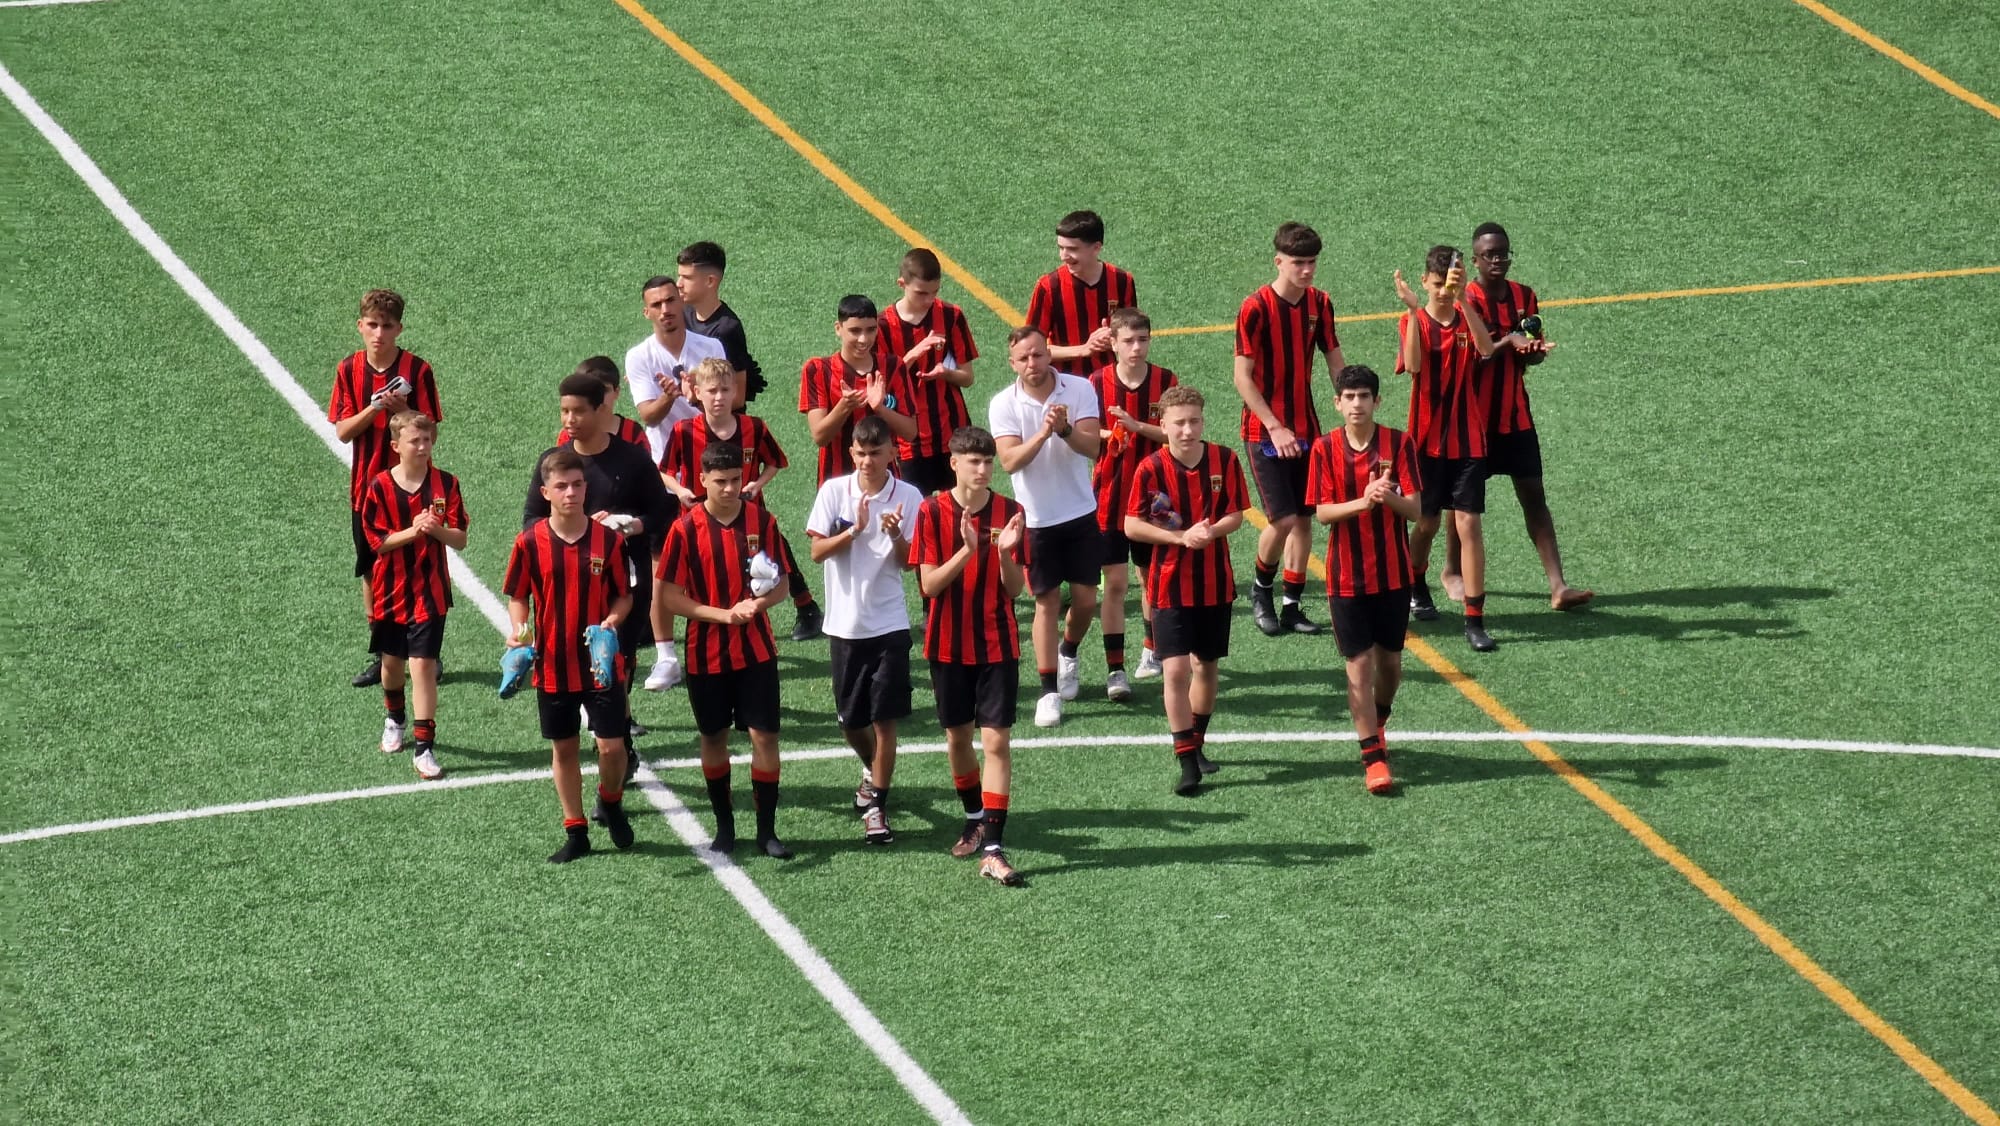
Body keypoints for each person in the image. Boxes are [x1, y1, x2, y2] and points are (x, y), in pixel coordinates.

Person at [654, 442, 799, 859]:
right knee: (713, 737)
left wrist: (760, 604)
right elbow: (669, 597)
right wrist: (722, 615)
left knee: (765, 736)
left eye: (736, 479)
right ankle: (724, 827)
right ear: (702, 481)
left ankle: (767, 831)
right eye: (721, 481)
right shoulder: (684, 530)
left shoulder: (761, 520)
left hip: (757, 652)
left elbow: (784, 583)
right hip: (706, 654)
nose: (730, 488)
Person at [524, 373, 675, 752]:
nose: (569, 419)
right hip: (569, 588)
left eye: (578, 411)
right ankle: (613, 741)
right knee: (580, 665)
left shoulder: (632, 458)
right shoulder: (553, 463)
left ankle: (617, 742)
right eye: (564, 411)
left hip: (625, 581)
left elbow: (663, 511)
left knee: (618, 661)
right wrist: (576, 527)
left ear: (601, 410)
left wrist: (633, 525)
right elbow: (531, 521)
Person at [1443, 223, 1590, 611]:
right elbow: (1464, 363)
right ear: (1474, 260)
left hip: (1515, 418)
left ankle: (1558, 586)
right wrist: (1507, 342)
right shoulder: (1463, 299)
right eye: (1489, 254)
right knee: (1464, 504)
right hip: (1473, 423)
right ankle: (1451, 572)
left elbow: (1533, 352)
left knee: (1534, 497)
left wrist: (1535, 351)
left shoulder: (1525, 296)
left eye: (1503, 253)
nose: (1497, 260)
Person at [502, 447, 636, 863]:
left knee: (613, 748)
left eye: (578, 485)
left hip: (600, 665)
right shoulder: (530, 542)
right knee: (565, 750)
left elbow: (623, 596)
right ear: (546, 492)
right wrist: (521, 633)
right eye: (562, 486)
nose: (572, 493)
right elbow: (518, 596)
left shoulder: (609, 541)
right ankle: (575, 830)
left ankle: (610, 799)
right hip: (554, 665)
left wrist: (612, 622)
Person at [1393, 246, 1529, 653]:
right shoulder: (1411, 321)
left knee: (1469, 525)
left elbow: (1487, 350)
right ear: (1424, 283)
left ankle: (1474, 618)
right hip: (1425, 443)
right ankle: (1416, 580)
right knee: (1427, 524)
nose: (1442, 292)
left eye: (1447, 285)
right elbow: (1414, 366)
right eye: (1436, 286)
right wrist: (1417, 310)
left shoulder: (1467, 318)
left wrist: (1464, 300)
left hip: (1469, 442)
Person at [911, 426, 1030, 887]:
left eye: (987, 462)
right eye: (972, 462)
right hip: (947, 643)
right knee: (958, 740)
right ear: (954, 463)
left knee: (996, 742)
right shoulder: (931, 511)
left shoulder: (1010, 512)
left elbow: (1016, 589)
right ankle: (974, 816)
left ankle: (995, 846)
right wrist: (967, 549)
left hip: (997, 642)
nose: (982, 470)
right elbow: (928, 585)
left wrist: (1003, 555)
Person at [651, 358, 818, 688]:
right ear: (697, 393)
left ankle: (754, 650)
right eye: (711, 390)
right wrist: (682, 490)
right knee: (693, 587)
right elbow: (664, 470)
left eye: (725, 390)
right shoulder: (684, 431)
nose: (718, 397)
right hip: (697, 525)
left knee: (752, 583)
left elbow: (775, 462)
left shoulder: (753, 427)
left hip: (749, 525)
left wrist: (758, 484)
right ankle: (672, 657)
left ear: (735, 392)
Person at [1121, 387, 1248, 796]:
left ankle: (1198, 742)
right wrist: (1178, 539)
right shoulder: (1150, 468)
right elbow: (1131, 525)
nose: (1187, 429)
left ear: (1202, 421)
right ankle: (1186, 761)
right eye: (1179, 422)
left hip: (1215, 584)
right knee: (1175, 670)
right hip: (1168, 584)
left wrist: (1211, 530)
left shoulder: (1224, 460)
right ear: (1164, 424)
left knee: (1206, 668)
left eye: (1194, 420)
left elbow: (1235, 514)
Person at [806, 416, 924, 845]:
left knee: (884, 720)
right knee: (849, 721)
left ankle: (877, 805)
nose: (868, 461)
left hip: (890, 623)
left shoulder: (909, 497)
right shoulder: (834, 492)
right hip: (844, 625)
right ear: (851, 453)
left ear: (892, 452)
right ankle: (872, 769)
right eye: (861, 453)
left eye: (876, 453)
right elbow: (817, 552)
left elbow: (910, 562)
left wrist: (894, 536)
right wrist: (855, 529)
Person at [1306, 365, 1424, 795]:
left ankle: (1379, 719)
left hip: (1393, 574)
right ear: (1337, 403)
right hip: (1345, 579)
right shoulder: (1323, 449)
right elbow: (1321, 514)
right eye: (1349, 397)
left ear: (1377, 401)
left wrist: (1387, 496)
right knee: (1358, 666)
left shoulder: (1400, 443)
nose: (1357, 404)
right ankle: (1372, 757)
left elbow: (1416, 511)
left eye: (1364, 396)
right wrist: (1363, 501)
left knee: (1390, 665)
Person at [1234, 222, 1345, 638]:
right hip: (1265, 432)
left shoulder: (1319, 303)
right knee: (1280, 520)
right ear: (1278, 261)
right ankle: (1261, 591)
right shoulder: (1256, 307)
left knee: (1304, 520)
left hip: (1308, 429)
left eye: (1312, 261)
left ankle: (1293, 605)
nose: (1307, 270)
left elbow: (1335, 358)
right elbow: (1242, 378)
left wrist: (1352, 394)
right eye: (1299, 262)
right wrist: (1274, 426)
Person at [989, 326, 1102, 728]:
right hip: (1036, 519)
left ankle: (1068, 652)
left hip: (1080, 512)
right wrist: (1043, 431)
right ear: (1012, 363)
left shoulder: (1079, 389)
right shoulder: (1004, 403)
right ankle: (1048, 690)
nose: (1032, 364)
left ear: (1049, 354)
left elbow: (1094, 448)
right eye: (1024, 358)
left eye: (1038, 355)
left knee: (1087, 601)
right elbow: (1008, 461)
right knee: (1046, 603)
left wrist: (1067, 429)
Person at [329, 288, 442, 689]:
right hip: (367, 493)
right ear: (360, 326)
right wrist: (376, 407)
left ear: (399, 328)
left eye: (387, 326)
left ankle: (427, 652)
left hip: (412, 489)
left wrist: (403, 412)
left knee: (419, 568)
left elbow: (430, 433)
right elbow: (342, 431)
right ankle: (382, 654)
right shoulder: (349, 370)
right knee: (373, 571)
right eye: (372, 325)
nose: (379, 333)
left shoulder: (418, 370)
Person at [359, 411, 467, 781]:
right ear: (396, 446)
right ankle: (395, 718)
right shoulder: (378, 488)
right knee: (392, 665)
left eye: (427, 440)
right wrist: (414, 530)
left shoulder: (446, 485)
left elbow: (461, 538)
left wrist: (435, 530)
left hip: (430, 594)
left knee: (422, 666)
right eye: (414, 441)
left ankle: (424, 747)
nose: (422, 447)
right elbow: (378, 542)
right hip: (390, 593)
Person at [1088, 307, 1177, 693]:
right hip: (1108, 495)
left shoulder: (1165, 380)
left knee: (1149, 578)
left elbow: (1176, 435)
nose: (1136, 348)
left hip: (1153, 499)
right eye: (1128, 341)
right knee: (1116, 583)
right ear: (1113, 343)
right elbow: (1085, 435)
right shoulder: (1095, 382)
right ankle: (1115, 669)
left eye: (1142, 340)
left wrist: (1137, 426)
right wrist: (1111, 436)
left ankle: (1151, 649)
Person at [875, 248, 978, 496]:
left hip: (954, 435)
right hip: (909, 443)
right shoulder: (882, 325)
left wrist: (946, 373)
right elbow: (881, 389)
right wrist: (913, 355)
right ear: (902, 283)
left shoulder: (951, 316)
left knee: (960, 511)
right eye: (921, 293)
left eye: (935, 292)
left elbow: (968, 377)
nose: (929, 300)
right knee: (916, 518)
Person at [626, 274, 727, 465]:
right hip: (665, 464)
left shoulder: (712, 347)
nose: (665, 310)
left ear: (682, 301)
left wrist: (696, 397)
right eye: (656, 305)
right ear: (646, 312)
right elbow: (649, 417)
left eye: (670, 300)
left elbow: (725, 406)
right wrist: (668, 396)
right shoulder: (638, 356)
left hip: (710, 460)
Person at [1026, 209, 1138, 376]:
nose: (1064, 256)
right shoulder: (1049, 286)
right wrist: (1083, 349)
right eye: (1061, 248)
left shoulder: (1122, 281)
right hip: (1062, 384)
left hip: (1109, 382)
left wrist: (1116, 336)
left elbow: (1134, 336)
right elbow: (1030, 348)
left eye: (1072, 249)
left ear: (1096, 248)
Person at [676, 241, 761, 407]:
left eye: (687, 277)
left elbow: (737, 399)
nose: (678, 283)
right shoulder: (682, 314)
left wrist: (695, 396)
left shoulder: (727, 329)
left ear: (710, 281)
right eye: (679, 276)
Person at [555, 356, 649, 450]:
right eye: (590, 392)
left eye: (604, 390)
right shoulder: (569, 433)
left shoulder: (632, 432)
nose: (598, 397)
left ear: (616, 392)